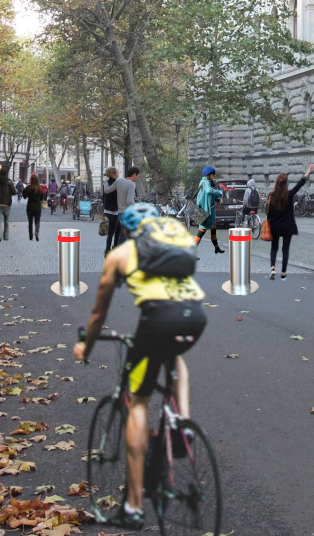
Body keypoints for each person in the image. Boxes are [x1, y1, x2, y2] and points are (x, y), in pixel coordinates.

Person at [73, 201, 207, 530]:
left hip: (157, 321)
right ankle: (181, 423)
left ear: (129, 230)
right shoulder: (174, 245)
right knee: (173, 357)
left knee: (136, 403)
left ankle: (133, 506)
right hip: (194, 318)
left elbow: (98, 313)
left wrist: (86, 346)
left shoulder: (121, 255)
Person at [266, 163, 314, 279]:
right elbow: (300, 183)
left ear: (276, 183)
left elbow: (269, 213)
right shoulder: (289, 195)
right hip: (287, 226)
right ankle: (283, 272)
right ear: (286, 183)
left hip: (275, 226)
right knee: (285, 249)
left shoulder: (271, 196)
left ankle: (272, 267)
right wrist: (308, 170)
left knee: (274, 248)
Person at [193, 166, 225, 254]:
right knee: (201, 232)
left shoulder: (203, 182)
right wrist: (220, 194)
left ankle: (217, 248)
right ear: (209, 175)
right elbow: (208, 191)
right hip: (205, 213)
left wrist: (216, 199)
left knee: (213, 229)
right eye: (212, 175)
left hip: (207, 212)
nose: (213, 176)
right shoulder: (206, 182)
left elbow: (207, 197)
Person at [0, 166, 15, 241]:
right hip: (7, 203)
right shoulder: (9, 182)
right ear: (6, 173)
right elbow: (14, 192)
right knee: (6, 220)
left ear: (0, 173)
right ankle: (6, 236)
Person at [103, 167, 122, 253]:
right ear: (113, 174)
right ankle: (108, 250)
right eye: (117, 172)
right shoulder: (115, 184)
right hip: (113, 210)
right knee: (111, 232)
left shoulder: (107, 182)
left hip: (108, 209)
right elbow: (117, 198)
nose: (118, 173)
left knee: (118, 229)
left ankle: (114, 247)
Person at [23, 173, 46, 241]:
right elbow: (42, 198)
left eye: (30, 179)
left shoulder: (28, 188)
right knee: (37, 221)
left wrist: (24, 190)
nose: (29, 180)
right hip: (37, 207)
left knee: (30, 222)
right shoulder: (40, 189)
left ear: (32, 180)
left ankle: (30, 236)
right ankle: (37, 232)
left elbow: (24, 197)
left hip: (30, 207)